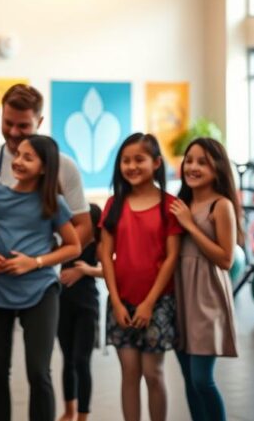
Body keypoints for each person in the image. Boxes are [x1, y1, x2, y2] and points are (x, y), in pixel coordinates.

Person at [0, 135, 82, 421]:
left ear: (45, 167)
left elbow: (74, 246)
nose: (18, 161)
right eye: (18, 155)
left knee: (39, 371)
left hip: (40, 290)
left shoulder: (54, 203)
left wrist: (33, 263)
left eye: (28, 157)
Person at [97, 133, 182, 421]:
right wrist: (117, 302)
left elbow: (172, 258)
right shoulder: (114, 204)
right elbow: (105, 256)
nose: (131, 166)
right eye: (125, 160)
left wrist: (149, 303)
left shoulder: (169, 205)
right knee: (129, 373)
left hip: (158, 302)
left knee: (153, 373)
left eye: (139, 160)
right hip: (122, 301)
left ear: (156, 163)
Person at [170, 138, 241, 421]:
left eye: (202, 162)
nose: (193, 167)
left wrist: (189, 224)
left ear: (217, 168)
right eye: (189, 160)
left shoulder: (221, 205)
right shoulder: (181, 203)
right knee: (189, 379)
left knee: (202, 379)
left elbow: (226, 259)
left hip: (206, 296)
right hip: (179, 296)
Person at [0, 84, 92, 248]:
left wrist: (41, 261)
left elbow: (83, 226)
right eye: (8, 123)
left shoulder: (65, 166)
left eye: (23, 126)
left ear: (39, 122)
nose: (13, 132)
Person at [57, 203, 103, 421]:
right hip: (61, 306)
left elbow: (111, 268)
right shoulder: (65, 244)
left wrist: (85, 271)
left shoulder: (98, 245)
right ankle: (69, 410)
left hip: (87, 307)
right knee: (67, 359)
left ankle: (83, 415)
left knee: (81, 360)